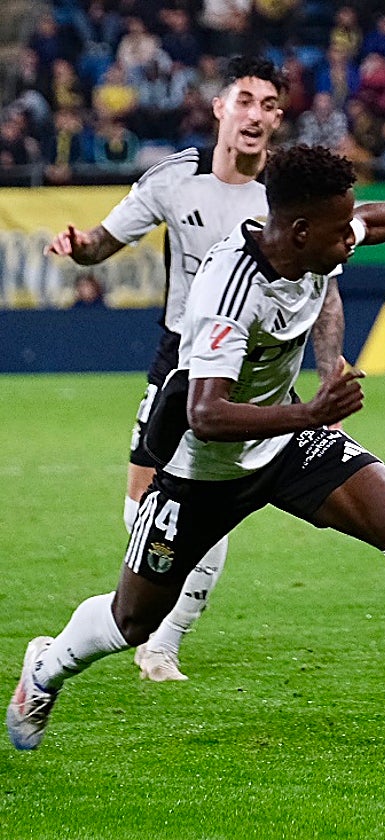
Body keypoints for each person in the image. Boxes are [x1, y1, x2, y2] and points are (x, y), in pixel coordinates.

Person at [8, 145, 385, 758]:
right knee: (132, 621)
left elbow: (370, 223)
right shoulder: (228, 289)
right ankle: (46, 667)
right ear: (297, 232)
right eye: (337, 232)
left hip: (287, 441)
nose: (351, 239)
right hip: (202, 469)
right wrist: (310, 411)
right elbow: (205, 415)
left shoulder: (314, 241)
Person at [42, 56, 303, 683]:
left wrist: (330, 357)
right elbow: (104, 242)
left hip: (253, 368)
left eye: (270, 106)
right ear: (219, 108)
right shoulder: (173, 181)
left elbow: (326, 279)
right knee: (144, 496)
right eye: (245, 100)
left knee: (211, 503)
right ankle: (143, 607)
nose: (257, 115)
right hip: (182, 360)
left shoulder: (287, 195)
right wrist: (80, 249)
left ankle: (165, 639)